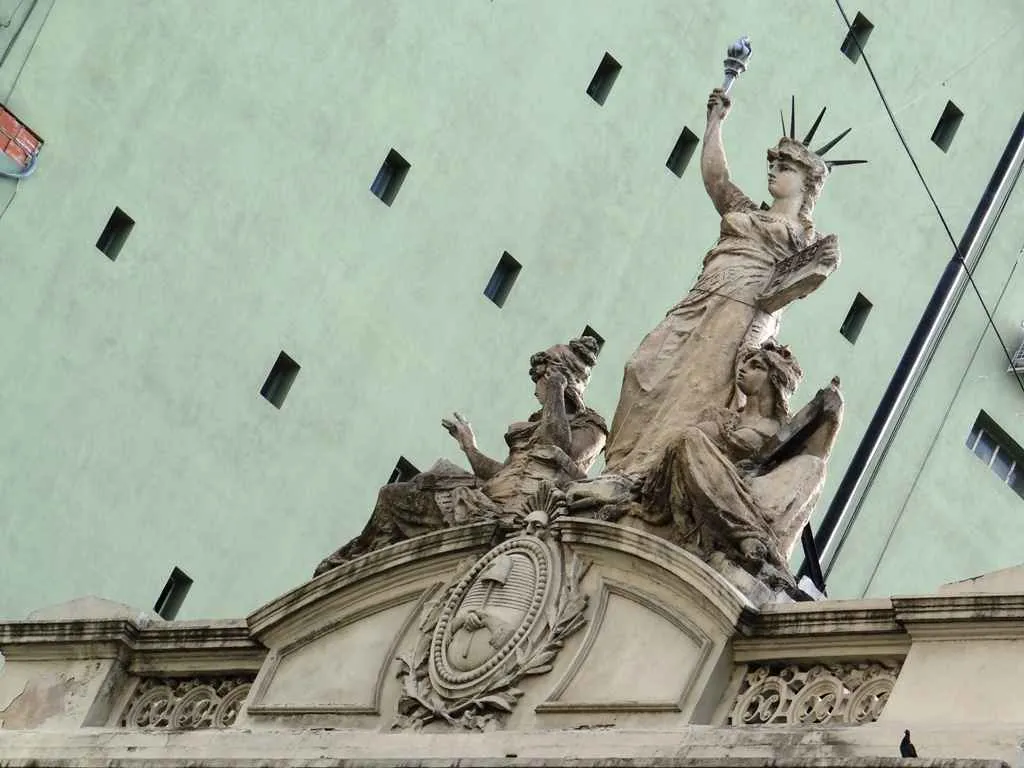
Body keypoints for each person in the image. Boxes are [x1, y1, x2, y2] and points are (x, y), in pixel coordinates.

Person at [604, 87, 839, 481]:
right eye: (773, 163)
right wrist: (715, 122)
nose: (773, 170)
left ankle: (647, 474)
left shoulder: (806, 241)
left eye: (784, 167)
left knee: (698, 392)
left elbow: (799, 281)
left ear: (806, 183)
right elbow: (717, 178)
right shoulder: (746, 210)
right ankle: (621, 465)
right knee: (642, 368)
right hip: (703, 295)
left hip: (741, 309)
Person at [314, 336, 607, 576]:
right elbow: (503, 473)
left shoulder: (591, 427)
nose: (535, 393)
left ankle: (360, 568)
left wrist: (556, 388)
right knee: (401, 492)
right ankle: (360, 563)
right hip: (487, 497)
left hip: (515, 512)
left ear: (559, 379)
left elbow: (554, 447)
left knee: (395, 499)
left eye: (539, 383)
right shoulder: (538, 419)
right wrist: (469, 445)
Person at [642, 340, 842, 581]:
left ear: (774, 379)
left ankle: (748, 533)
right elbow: (684, 448)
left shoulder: (784, 431)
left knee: (814, 466)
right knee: (689, 439)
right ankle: (746, 533)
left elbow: (812, 464)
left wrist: (832, 419)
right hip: (703, 483)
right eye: (745, 363)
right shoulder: (723, 417)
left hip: (749, 493)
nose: (743, 368)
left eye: (755, 365)